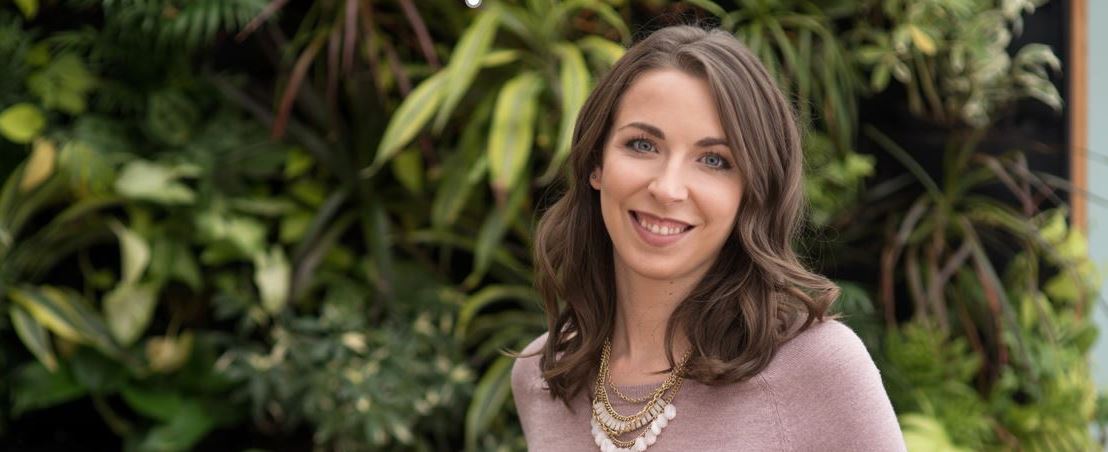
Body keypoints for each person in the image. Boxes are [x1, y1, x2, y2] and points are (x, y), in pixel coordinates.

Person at [509, 24, 906, 451]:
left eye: (714, 160)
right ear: (596, 163)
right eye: (643, 145)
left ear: (752, 192)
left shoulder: (815, 368)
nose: (668, 188)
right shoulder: (545, 377)